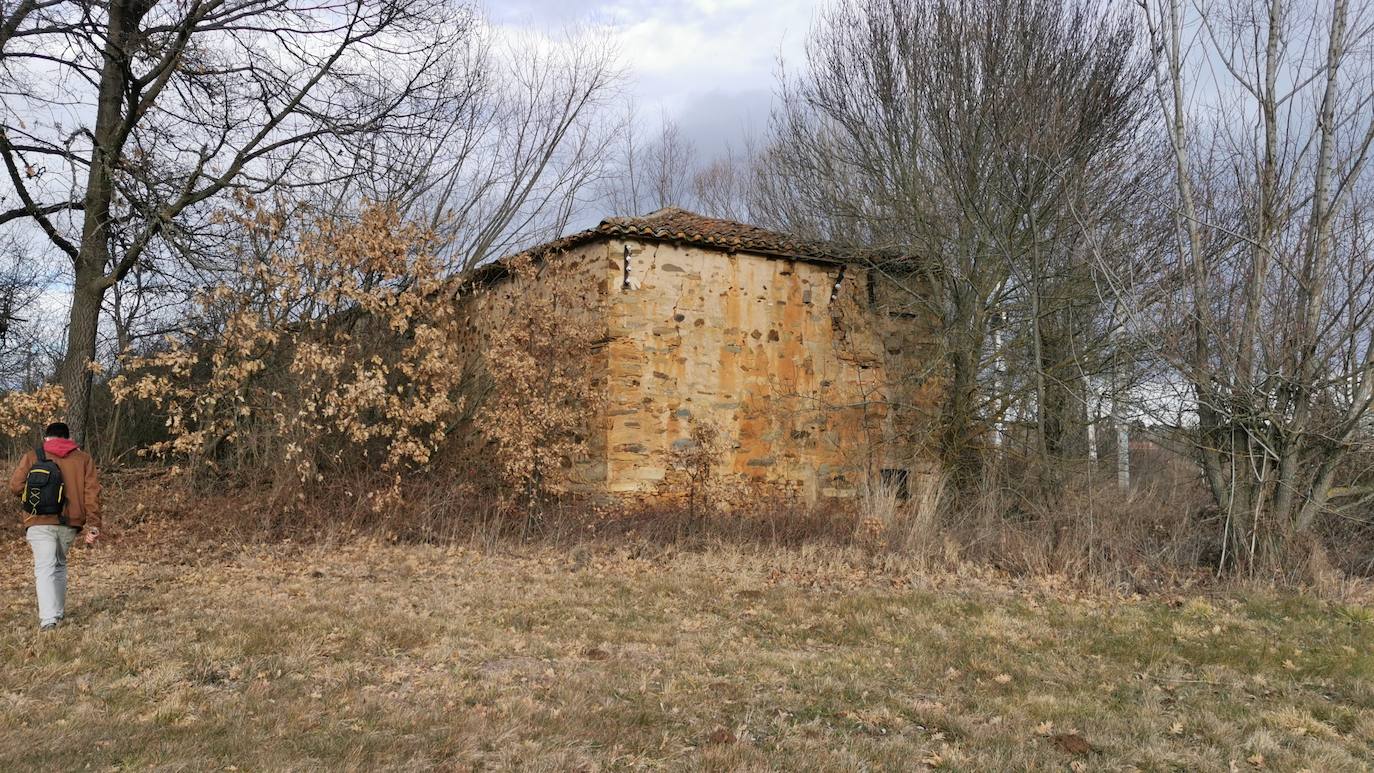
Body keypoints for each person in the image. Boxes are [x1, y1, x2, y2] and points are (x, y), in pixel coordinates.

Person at [8, 422, 101, 630]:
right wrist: (94, 525)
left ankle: (49, 619)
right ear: (68, 438)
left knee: (45, 567)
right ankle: (56, 613)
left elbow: (15, 486)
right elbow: (92, 494)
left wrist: (35, 496)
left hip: (38, 520)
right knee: (58, 565)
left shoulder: (33, 455)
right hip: (70, 522)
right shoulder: (83, 459)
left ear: (46, 437)